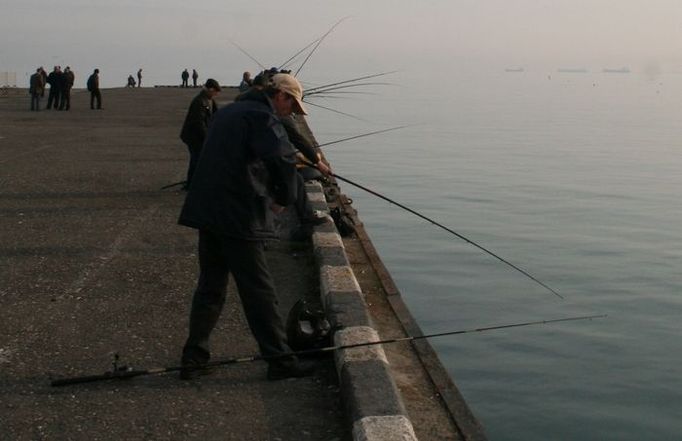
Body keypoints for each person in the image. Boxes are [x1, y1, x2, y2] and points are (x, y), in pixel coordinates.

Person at [178, 73, 316, 381]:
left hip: (208, 211)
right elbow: (282, 160)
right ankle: (280, 362)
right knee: (259, 291)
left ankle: (194, 358)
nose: (292, 113)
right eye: (292, 106)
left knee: (210, 288)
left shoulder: (228, 111)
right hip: (237, 216)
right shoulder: (262, 117)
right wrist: (284, 198)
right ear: (280, 95)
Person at [179, 78, 220, 189]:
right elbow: (199, 123)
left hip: (199, 136)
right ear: (210, 89)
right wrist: (208, 138)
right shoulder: (200, 101)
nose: (216, 95)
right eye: (215, 92)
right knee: (196, 159)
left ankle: (194, 182)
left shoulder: (209, 100)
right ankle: (191, 184)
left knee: (198, 159)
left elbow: (216, 115)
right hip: (193, 137)